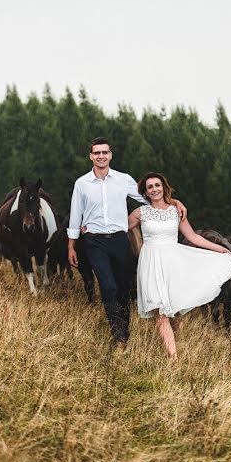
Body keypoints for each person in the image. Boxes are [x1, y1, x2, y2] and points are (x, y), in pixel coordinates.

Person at [67, 138, 187, 351]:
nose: (101, 156)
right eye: (97, 153)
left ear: (110, 155)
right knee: (108, 286)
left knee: (123, 288)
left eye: (105, 152)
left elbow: (149, 197)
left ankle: (125, 330)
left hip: (120, 240)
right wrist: (71, 245)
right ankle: (119, 337)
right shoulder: (82, 184)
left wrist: (174, 202)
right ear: (91, 156)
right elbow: (76, 215)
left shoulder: (123, 180)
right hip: (94, 242)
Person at [128, 172, 231, 359]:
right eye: (150, 187)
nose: (154, 189)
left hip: (174, 262)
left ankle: (173, 341)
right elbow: (117, 228)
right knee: (160, 313)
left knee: (175, 310)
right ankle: (174, 358)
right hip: (151, 264)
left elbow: (193, 236)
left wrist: (219, 249)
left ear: (164, 187)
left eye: (157, 185)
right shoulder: (140, 213)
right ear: (145, 193)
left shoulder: (176, 211)